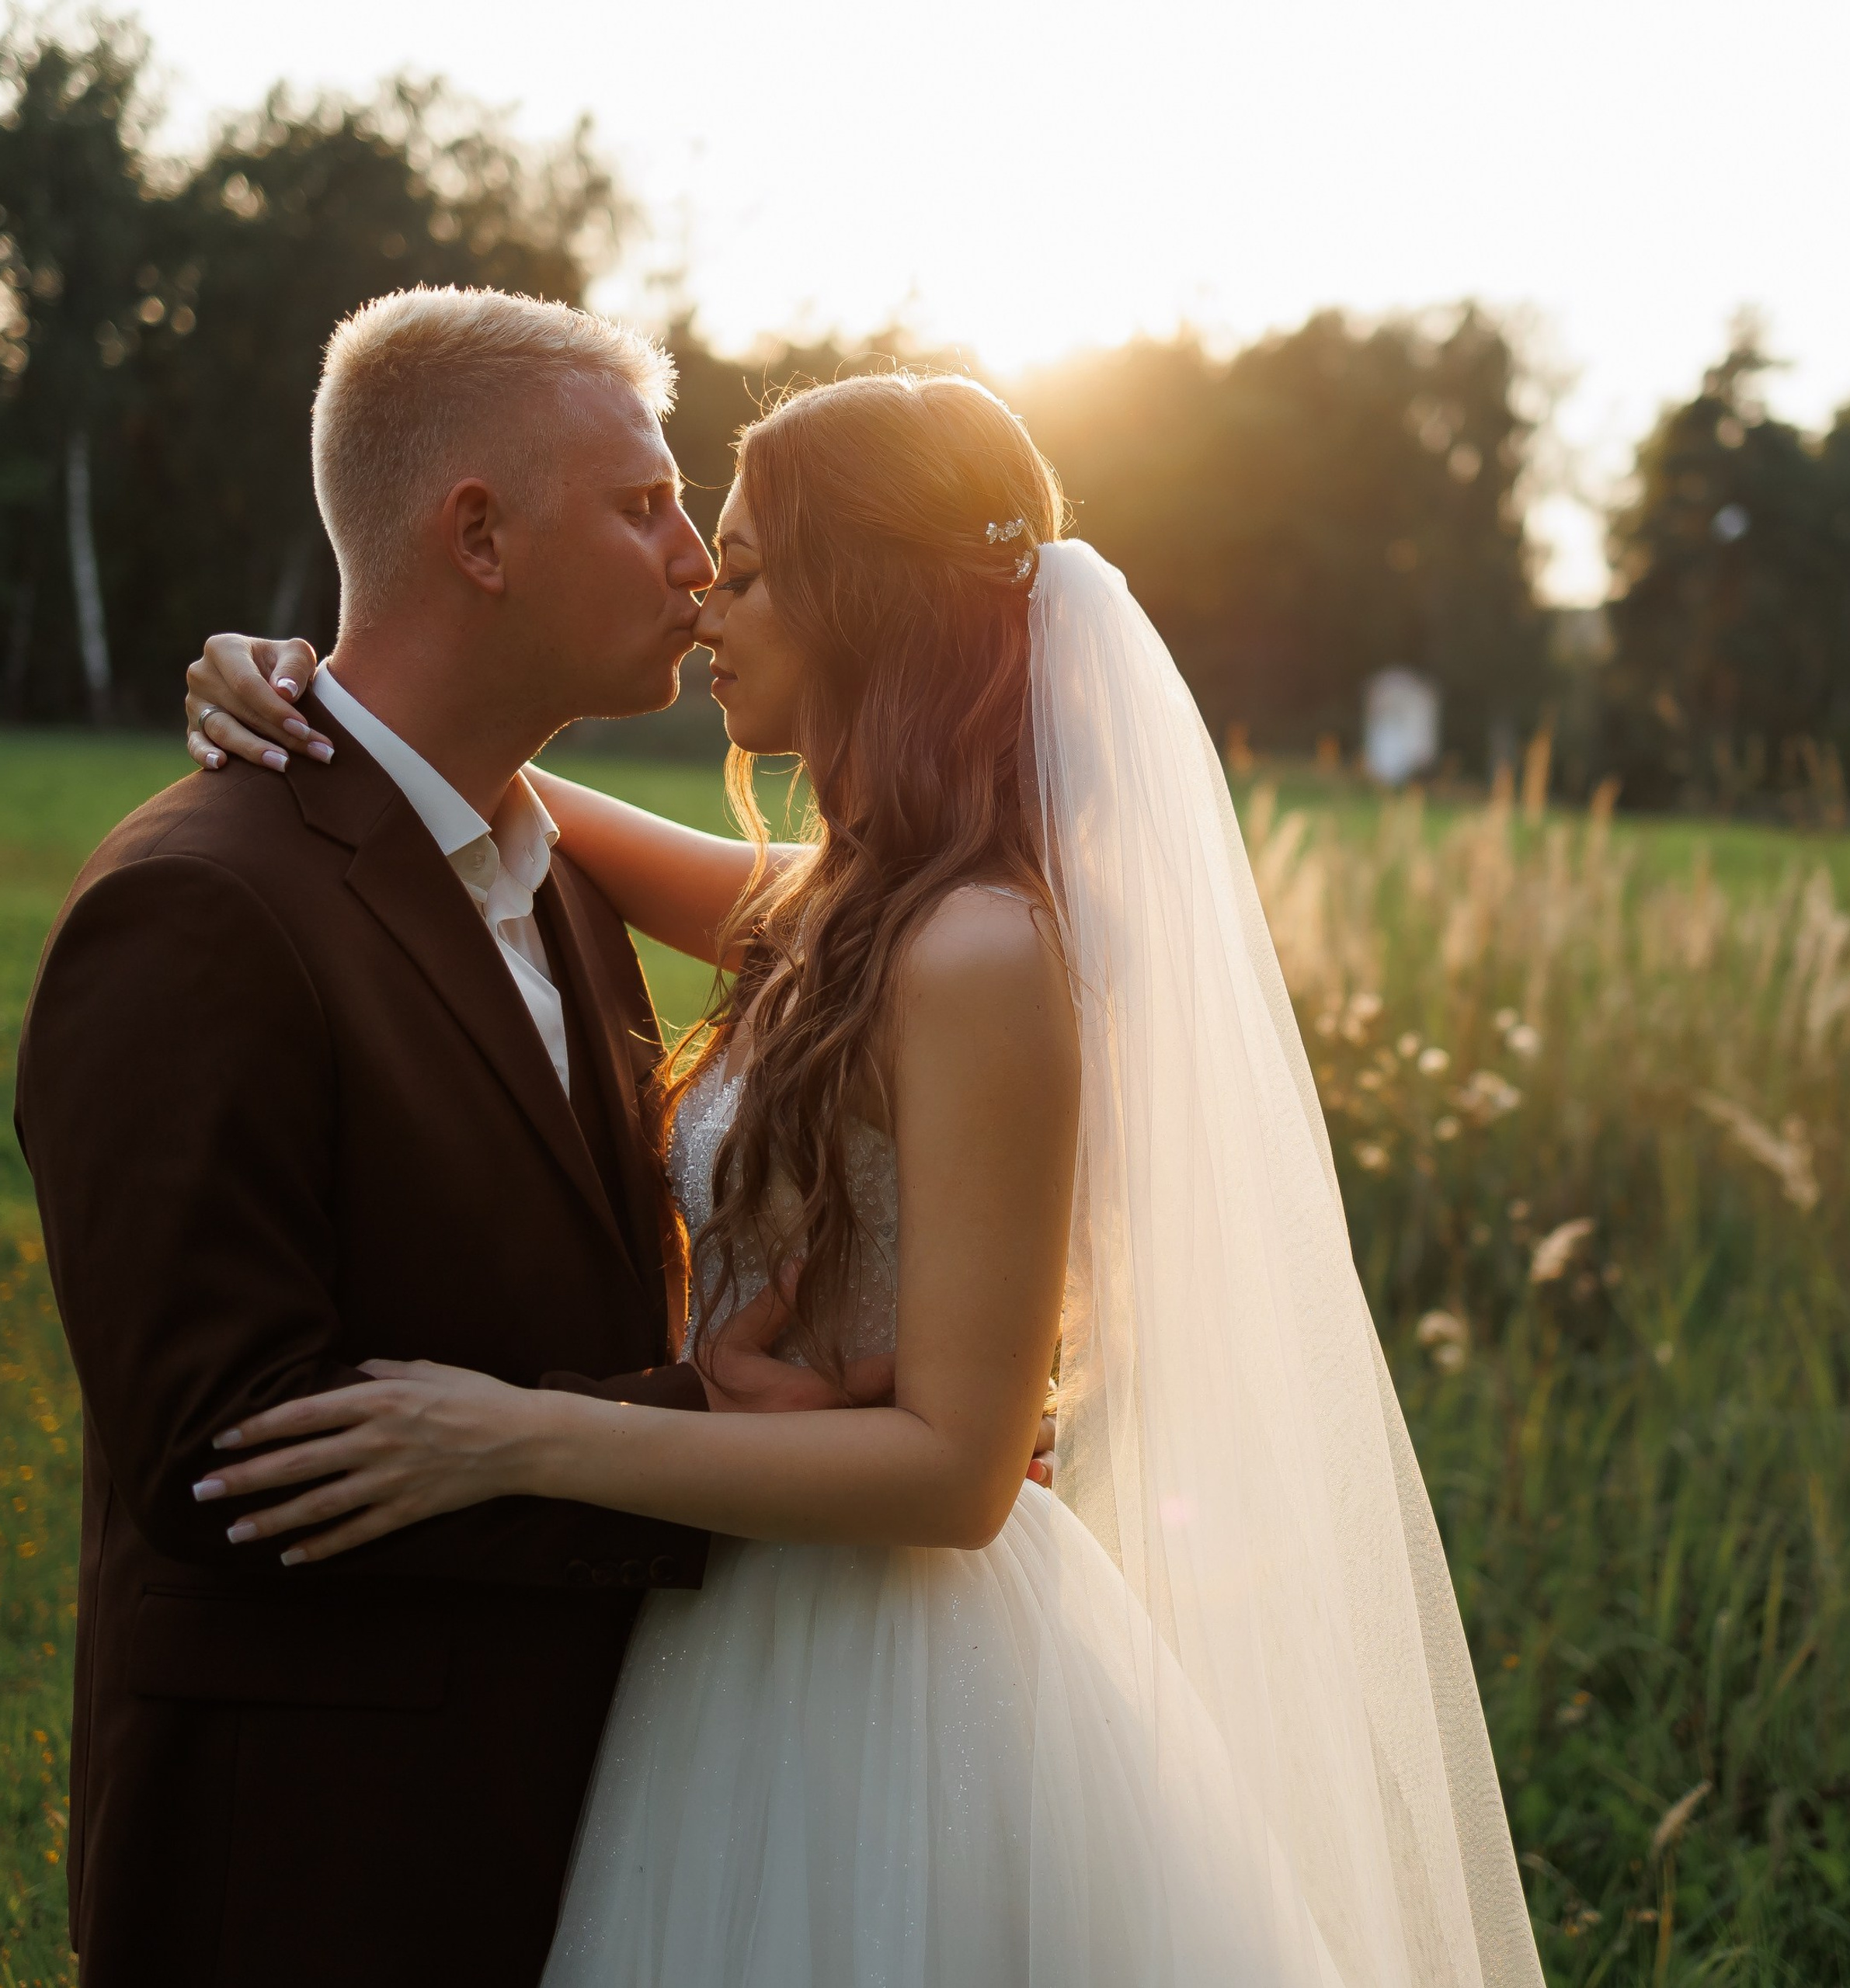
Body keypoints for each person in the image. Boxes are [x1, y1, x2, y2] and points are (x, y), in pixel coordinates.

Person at [184, 364, 1546, 1985]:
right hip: (737, 1627)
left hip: (893, 1676)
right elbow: (497, 783)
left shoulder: (974, 944)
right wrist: (299, 689)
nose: (702, 601)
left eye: (746, 568)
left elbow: (958, 1475)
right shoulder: (848, 903)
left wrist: (514, 1436)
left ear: (863, 601)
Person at [16, 287, 994, 1988]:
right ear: (478, 535)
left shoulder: (554, 875)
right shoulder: (199, 909)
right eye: (647, 505)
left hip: (629, 1798)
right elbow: (217, 1455)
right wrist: (683, 1419)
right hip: (322, 1862)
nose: (693, 562)